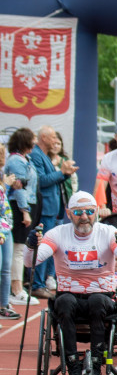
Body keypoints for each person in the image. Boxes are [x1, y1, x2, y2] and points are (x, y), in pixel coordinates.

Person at [26, 192, 117, 375]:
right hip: (69, 297)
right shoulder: (57, 234)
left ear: (96, 212)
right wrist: (31, 246)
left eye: (89, 211)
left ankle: (96, 367)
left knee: (97, 301)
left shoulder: (108, 232)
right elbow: (31, 262)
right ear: (69, 214)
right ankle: (72, 367)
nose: (84, 216)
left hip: (101, 298)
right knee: (64, 302)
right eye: (78, 212)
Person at [31, 126, 77, 300]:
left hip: (51, 209)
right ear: (43, 138)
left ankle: (40, 283)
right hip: (45, 209)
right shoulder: (37, 155)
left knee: (49, 245)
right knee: (44, 245)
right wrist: (61, 173)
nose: (55, 141)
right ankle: (37, 284)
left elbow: (52, 179)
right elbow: (41, 181)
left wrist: (65, 174)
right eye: (52, 138)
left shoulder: (43, 156)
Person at [6, 127, 38, 307]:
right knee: (18, 249)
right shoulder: (16, 161)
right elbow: (19, 188)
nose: (35, 143)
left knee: (20, 248)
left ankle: (17, 287)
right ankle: (16, 289)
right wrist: (24, 210)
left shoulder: (27, 159)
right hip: (19, 207)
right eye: (32, 139)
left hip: (27, 204)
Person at [0, 146, 18, 320]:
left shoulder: (2, 174)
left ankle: (3, 305)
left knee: (6, 269)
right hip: (1, 230)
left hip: (6, 227)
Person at [49, 131, 77, 213]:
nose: (56, 146)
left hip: (62, 200)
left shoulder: (65, 160)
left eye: (58, 144)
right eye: (54, 144)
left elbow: (73, 181)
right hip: (50, 200)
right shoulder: (44, 160)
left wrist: (72, 196)